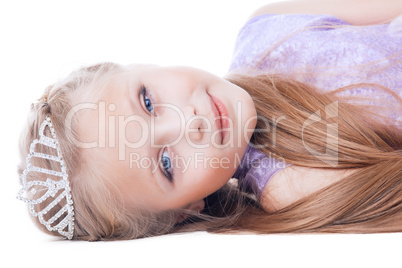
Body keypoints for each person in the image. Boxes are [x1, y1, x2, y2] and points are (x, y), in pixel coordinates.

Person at [17, 0, 402, 241]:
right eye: (166, 163)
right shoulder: (289, 181)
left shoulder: (267, 24)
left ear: (140, 66)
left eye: (148, 101)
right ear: (189, 209)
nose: (190, 123)